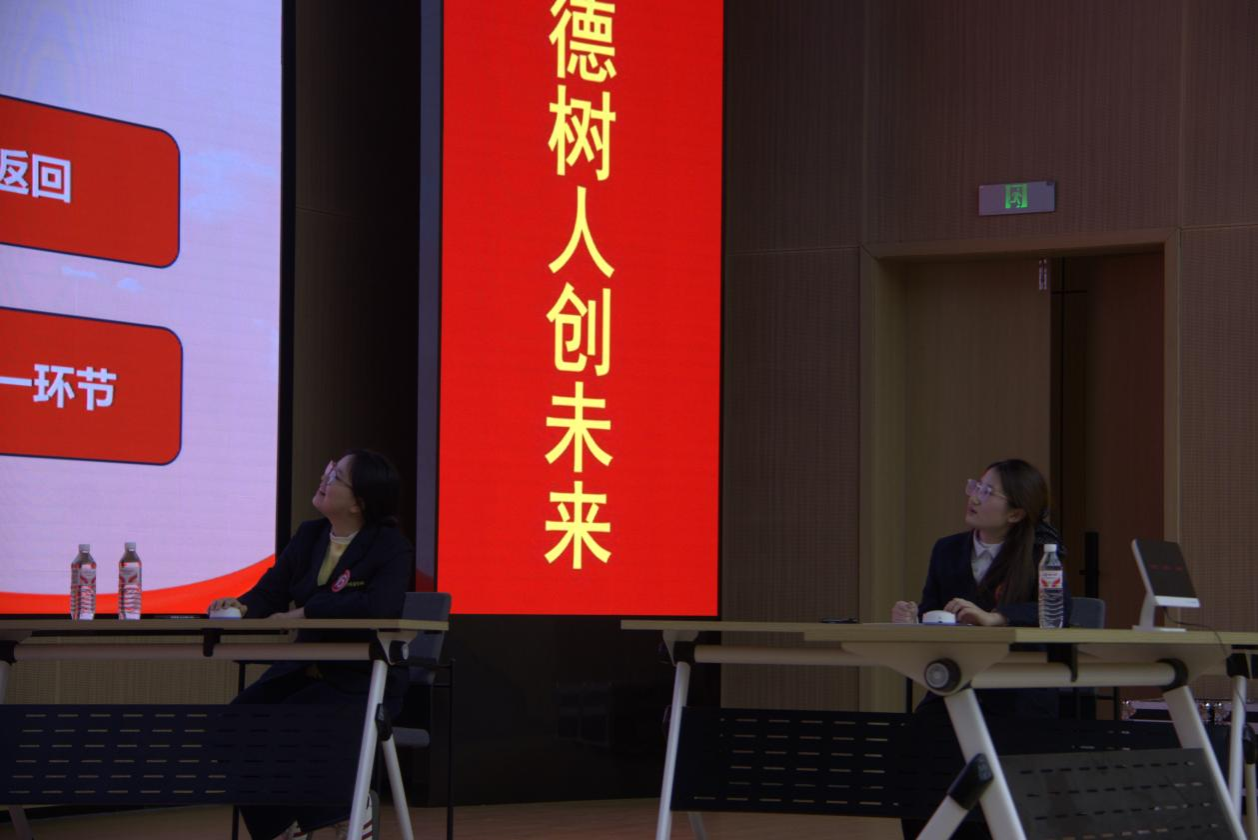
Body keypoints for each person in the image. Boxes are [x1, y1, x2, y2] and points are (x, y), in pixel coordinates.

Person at [210, 449, 413, 840]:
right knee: (233, 725)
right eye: (329, 470)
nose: (325, 478)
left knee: (290, 725)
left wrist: (306, 612)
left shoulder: (390, 546)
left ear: (358, 502)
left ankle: (344, 809)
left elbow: (379, 607)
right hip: (303, 670)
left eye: (336, 476)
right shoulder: (310, 535)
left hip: (359, 678)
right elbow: (271, 591)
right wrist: (241, 607)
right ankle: (282, 828)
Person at [891, 458, 1070, 838]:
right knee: (917, 745)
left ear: (1016, 513)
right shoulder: (947, 550)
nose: (974, 497)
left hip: (1017, 693)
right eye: (976, 486)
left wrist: (997, 618)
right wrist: (913, 619)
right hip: (956, 686)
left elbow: (1058, 611)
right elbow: (934, 611)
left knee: (999, 764)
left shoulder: (1042, 553)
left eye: (988, 492)